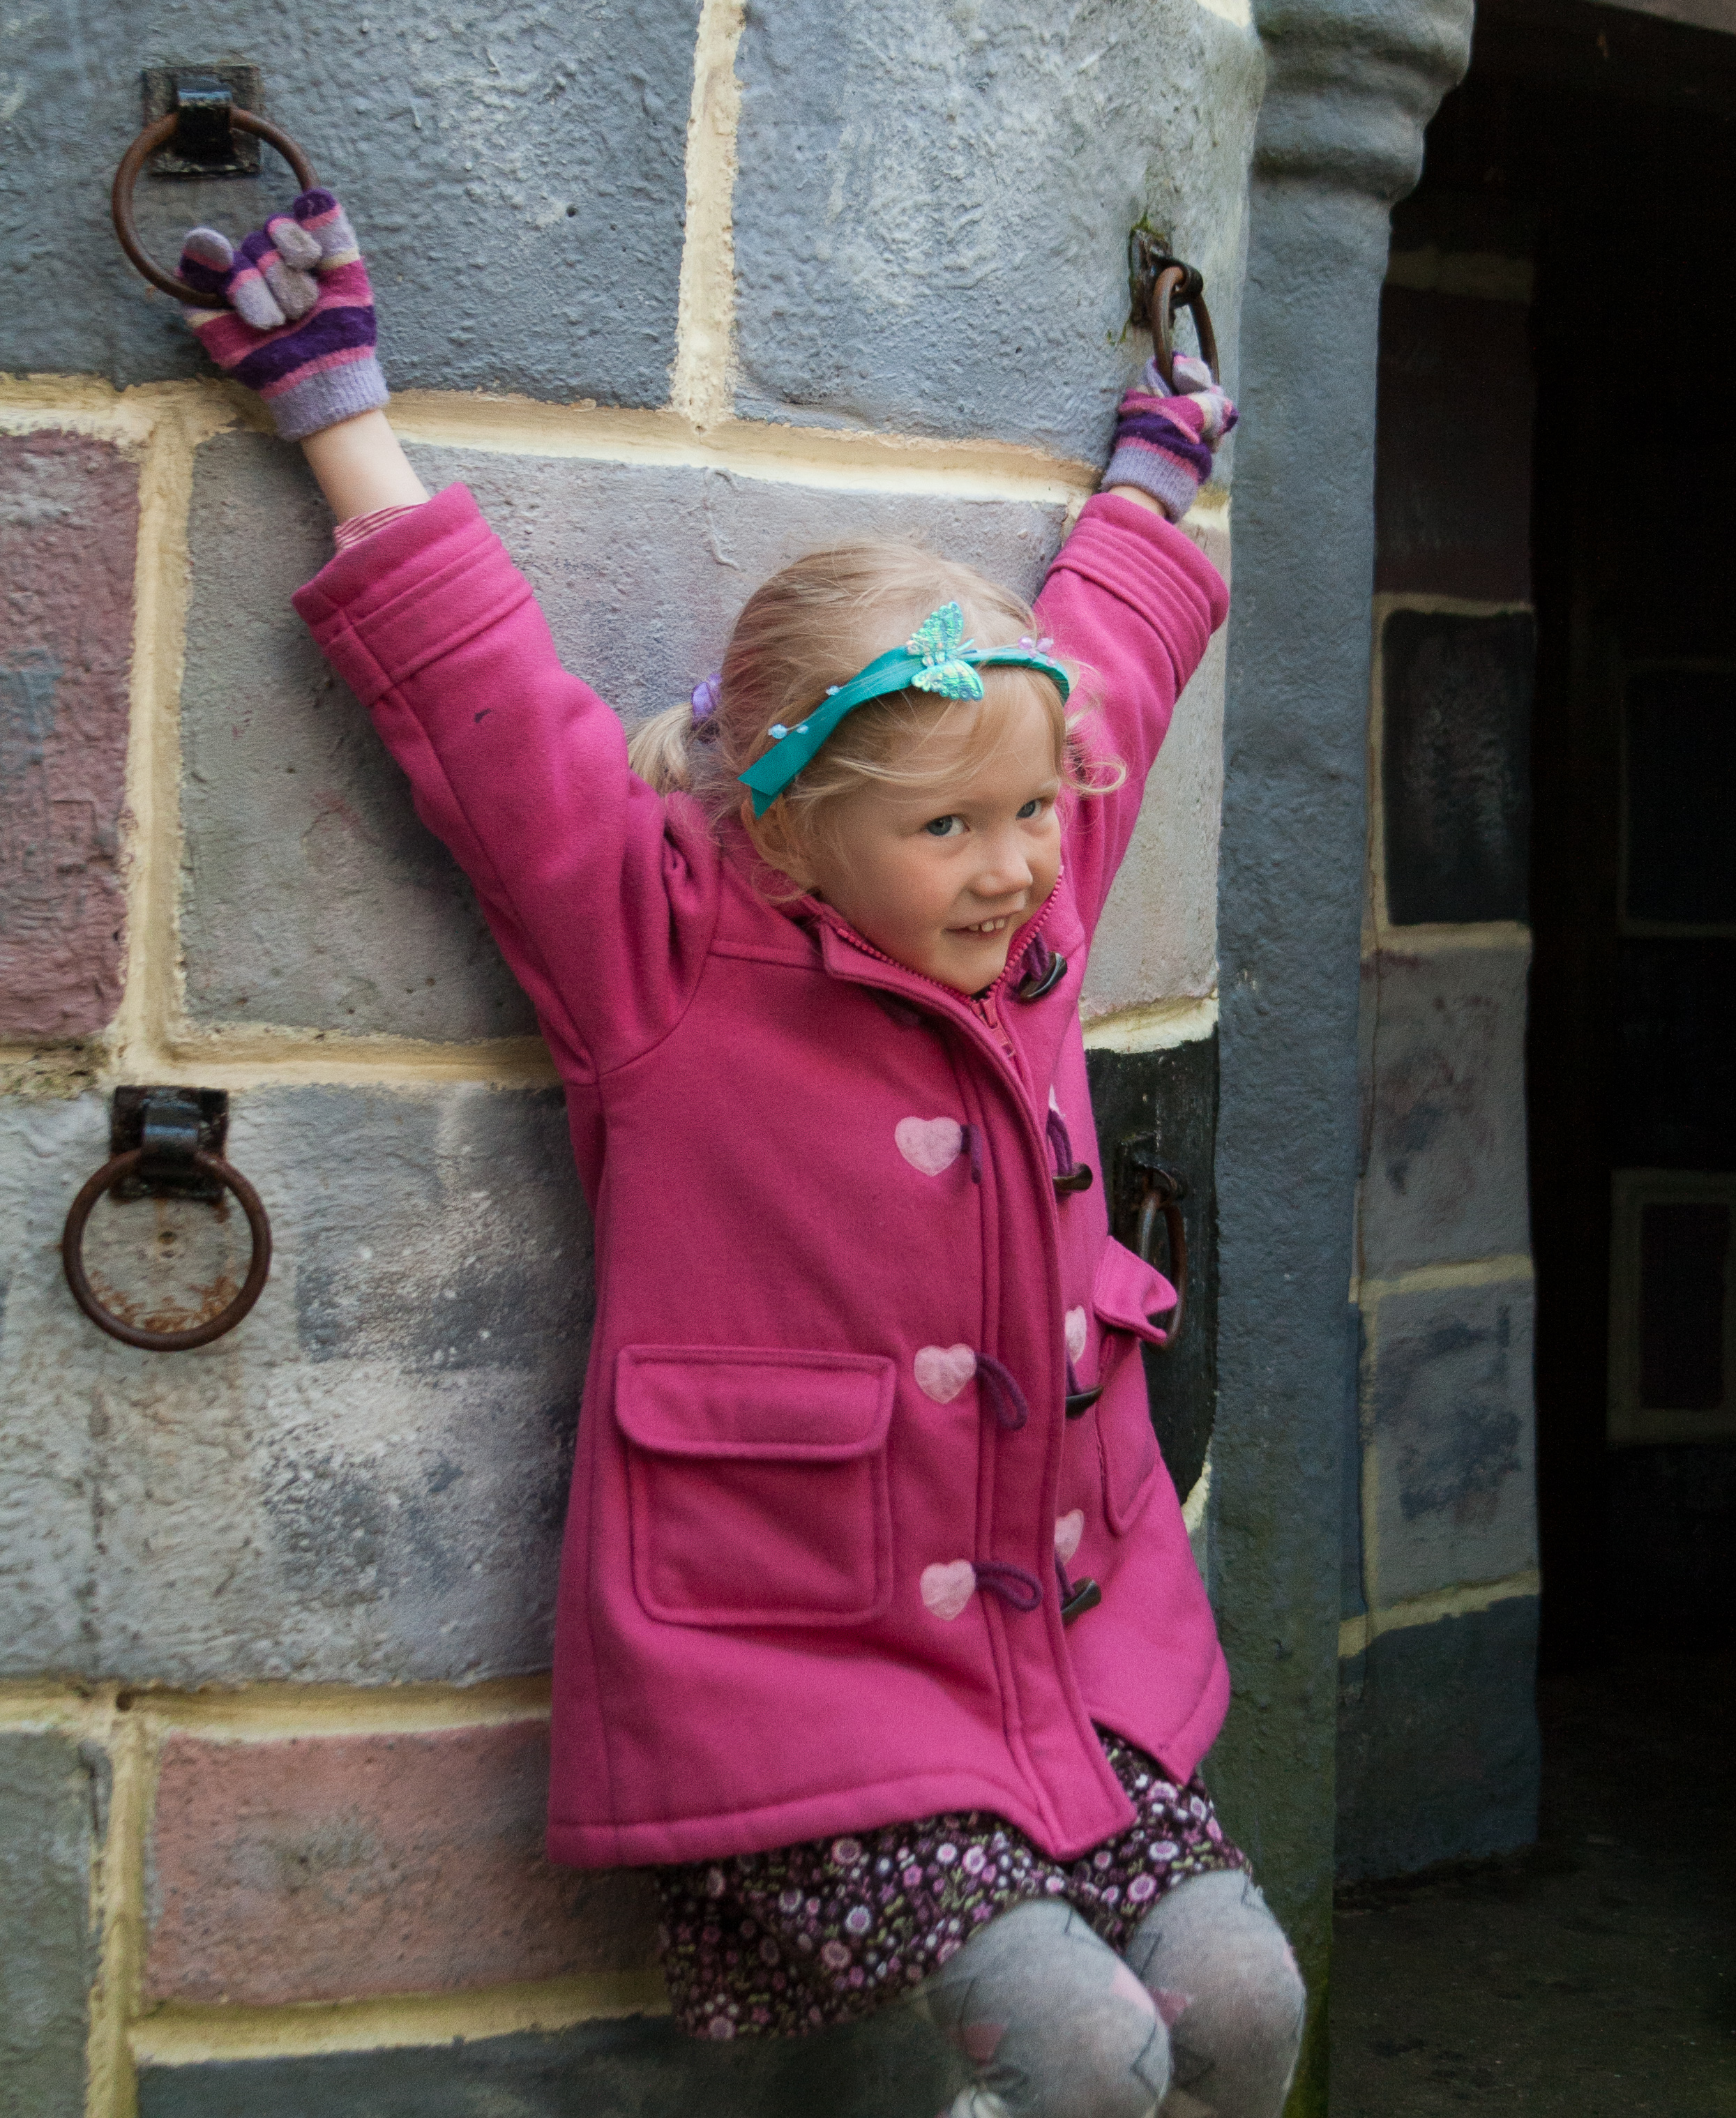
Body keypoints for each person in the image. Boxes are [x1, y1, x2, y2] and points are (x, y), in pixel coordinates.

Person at [179, 192, 1306, 2118]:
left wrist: (1156, 468)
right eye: (950, 830)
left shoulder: (1029, 901)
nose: (1018, 866)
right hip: (805, 1668)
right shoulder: (663, 944)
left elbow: (1111, 658)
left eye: (1036, 812)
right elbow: (492, 718)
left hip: (1068, 1652)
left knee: (1248, 2011)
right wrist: (334, 407)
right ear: (788, 825)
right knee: (1089, 2055)